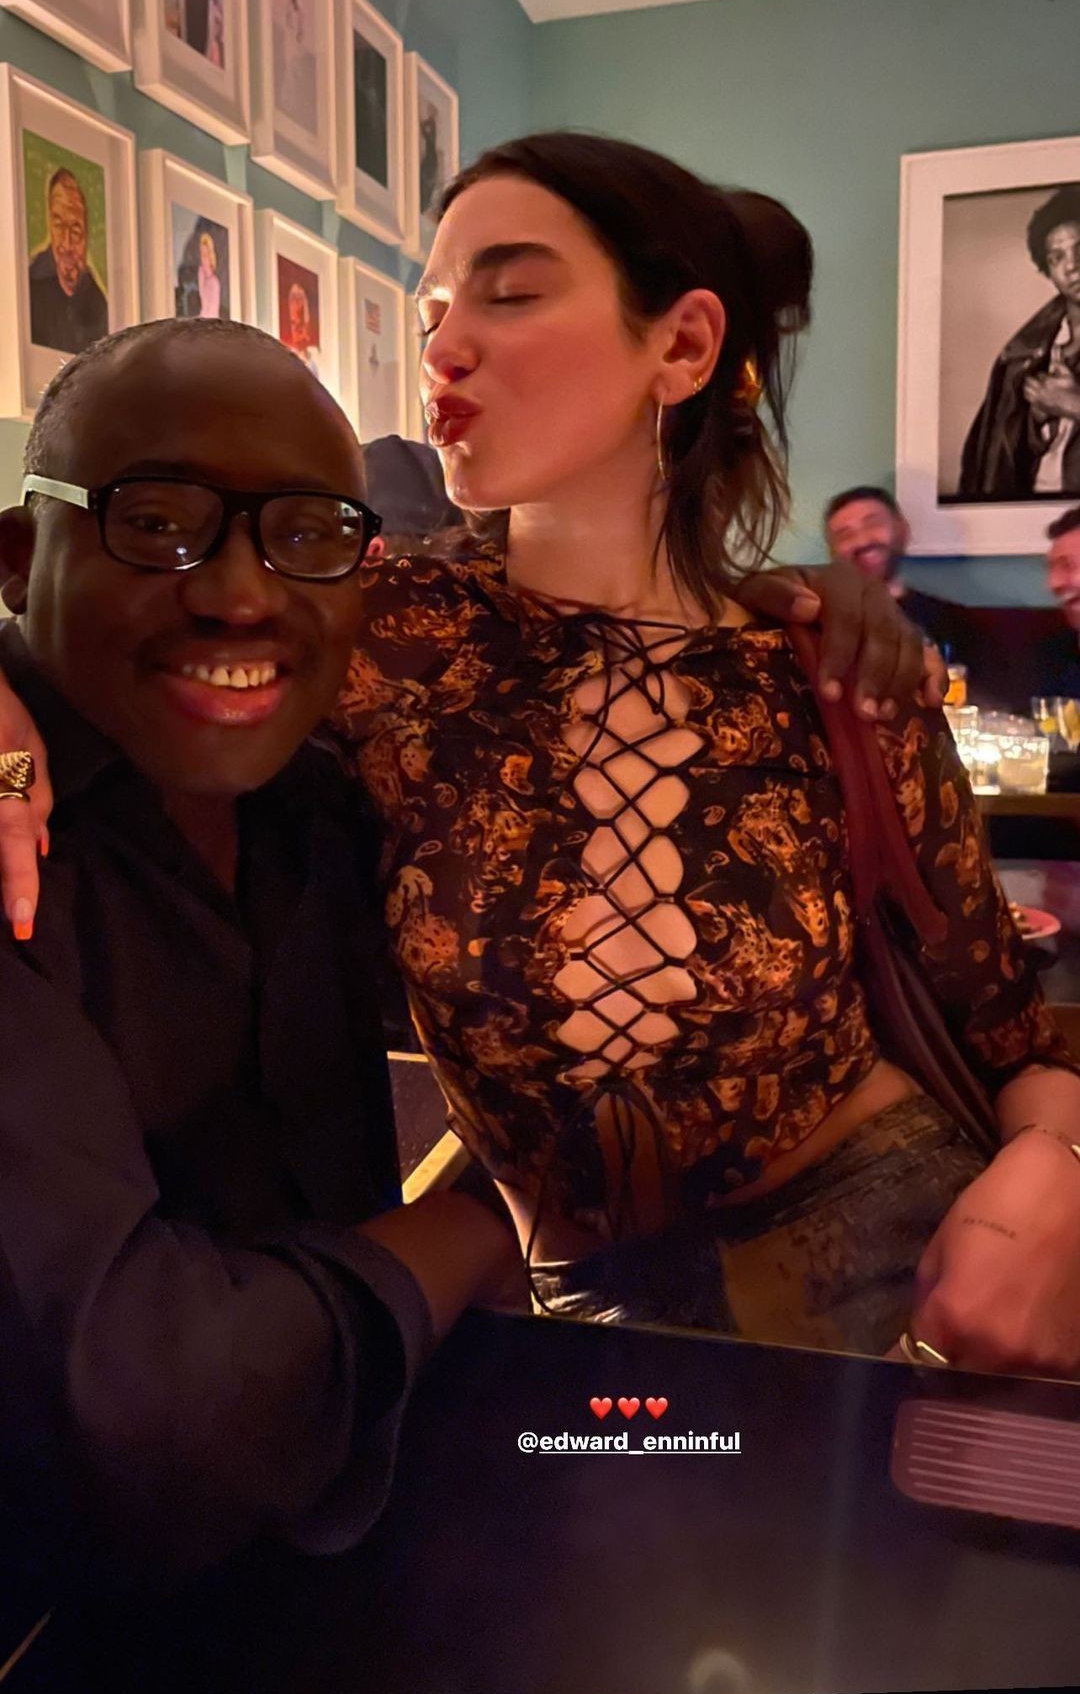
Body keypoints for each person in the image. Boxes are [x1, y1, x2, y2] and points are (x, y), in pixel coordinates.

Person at [5, 137, 1065, 1378]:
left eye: (508, 294)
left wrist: (1052, 1169)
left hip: (907, 1268)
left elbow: (1011, 1035)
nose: (444, 347)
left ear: (683, 346)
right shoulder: (372, 635)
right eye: (432, 313)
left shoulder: (824, 668)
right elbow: (104, 634)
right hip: (567, 1318)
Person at [0, 318, 522, 1594]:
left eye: (308, 533)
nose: (240, 592)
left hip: (356, 1545)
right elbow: (166, 1414)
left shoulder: (318, 799)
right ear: (18, 558)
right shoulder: (11, 833)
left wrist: (790, 619)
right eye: (155, 520)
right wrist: (481, 1223)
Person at [958, 185, 1080, 501]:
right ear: (1047, 270)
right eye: (1057, 257)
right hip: (1032, 511)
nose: (1072, 266)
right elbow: (1001, 457)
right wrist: (1037, 419)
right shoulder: (1029, 349)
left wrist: (1073, 405)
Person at [824, 484, 968, 658]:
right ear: (833, 552)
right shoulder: (814, 625)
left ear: (902, 529)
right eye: (845, 535)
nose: (862, 541)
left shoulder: (951, 621)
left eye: (873, 524)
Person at [28, 167, 108, 356]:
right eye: (58, 226)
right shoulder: (31, 286)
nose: (66, 243)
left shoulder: (97, 300)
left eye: (75, 230)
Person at [197, 228, 222, 318]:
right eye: (202, 255)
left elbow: (211, 313)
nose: (203, 259)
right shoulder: (201, 274)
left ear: (210, 256)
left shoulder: (214, 283)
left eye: (205, 255)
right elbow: (203, 305)